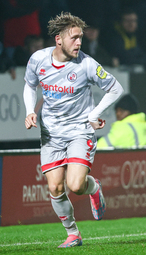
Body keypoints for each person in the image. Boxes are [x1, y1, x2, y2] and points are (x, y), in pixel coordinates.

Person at [23, 12, 124, 248]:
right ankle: (73, 234)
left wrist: (93, 114)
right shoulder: (38, 59)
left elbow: (115, 89)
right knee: (55, 187)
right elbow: (29, 85)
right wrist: (30, 110)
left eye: (81, 38)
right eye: (74, 38)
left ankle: (94, 187)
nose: (79, 42)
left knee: (76, 185)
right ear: (58, 39)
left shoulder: (87, 64)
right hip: (51, 133)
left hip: (79, 130)